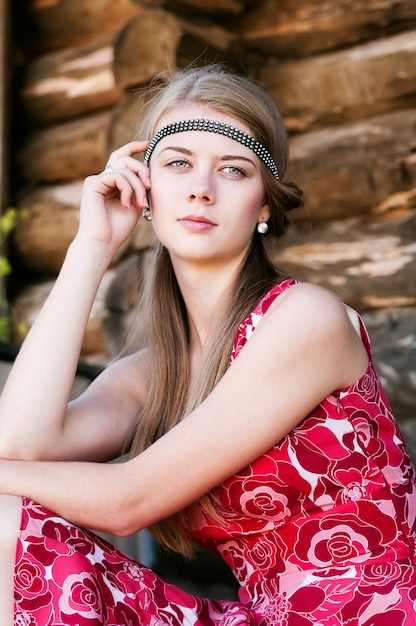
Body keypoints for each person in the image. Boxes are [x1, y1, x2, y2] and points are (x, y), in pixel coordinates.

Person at [0, 64, 415, 626]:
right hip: (261, 617)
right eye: (177, 163)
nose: (201, 187)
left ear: (264, 204)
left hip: (375, 615)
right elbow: (19, 448)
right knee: (7, 525)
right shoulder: (151, 375)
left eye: (234, 169)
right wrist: (92, 245)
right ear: (144, 188)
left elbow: (127, 501)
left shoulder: (306, 320)